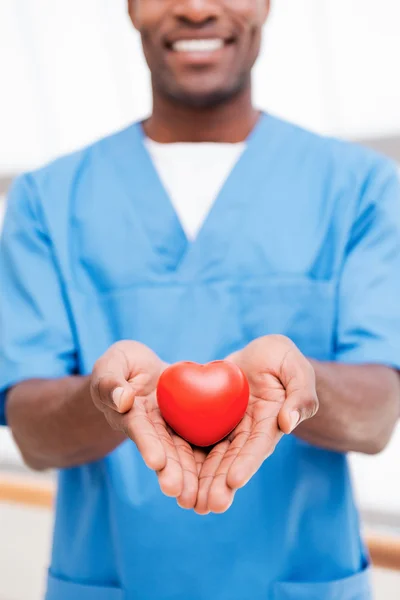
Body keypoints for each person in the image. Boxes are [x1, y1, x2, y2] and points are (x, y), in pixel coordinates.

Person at [1, 1, 400, 598]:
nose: (194, 7)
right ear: (132, 7)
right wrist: (103, 400)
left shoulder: (363, 187)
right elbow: (31, 433)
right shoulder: (43, 202)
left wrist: (300, 381)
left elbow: (378, 415)